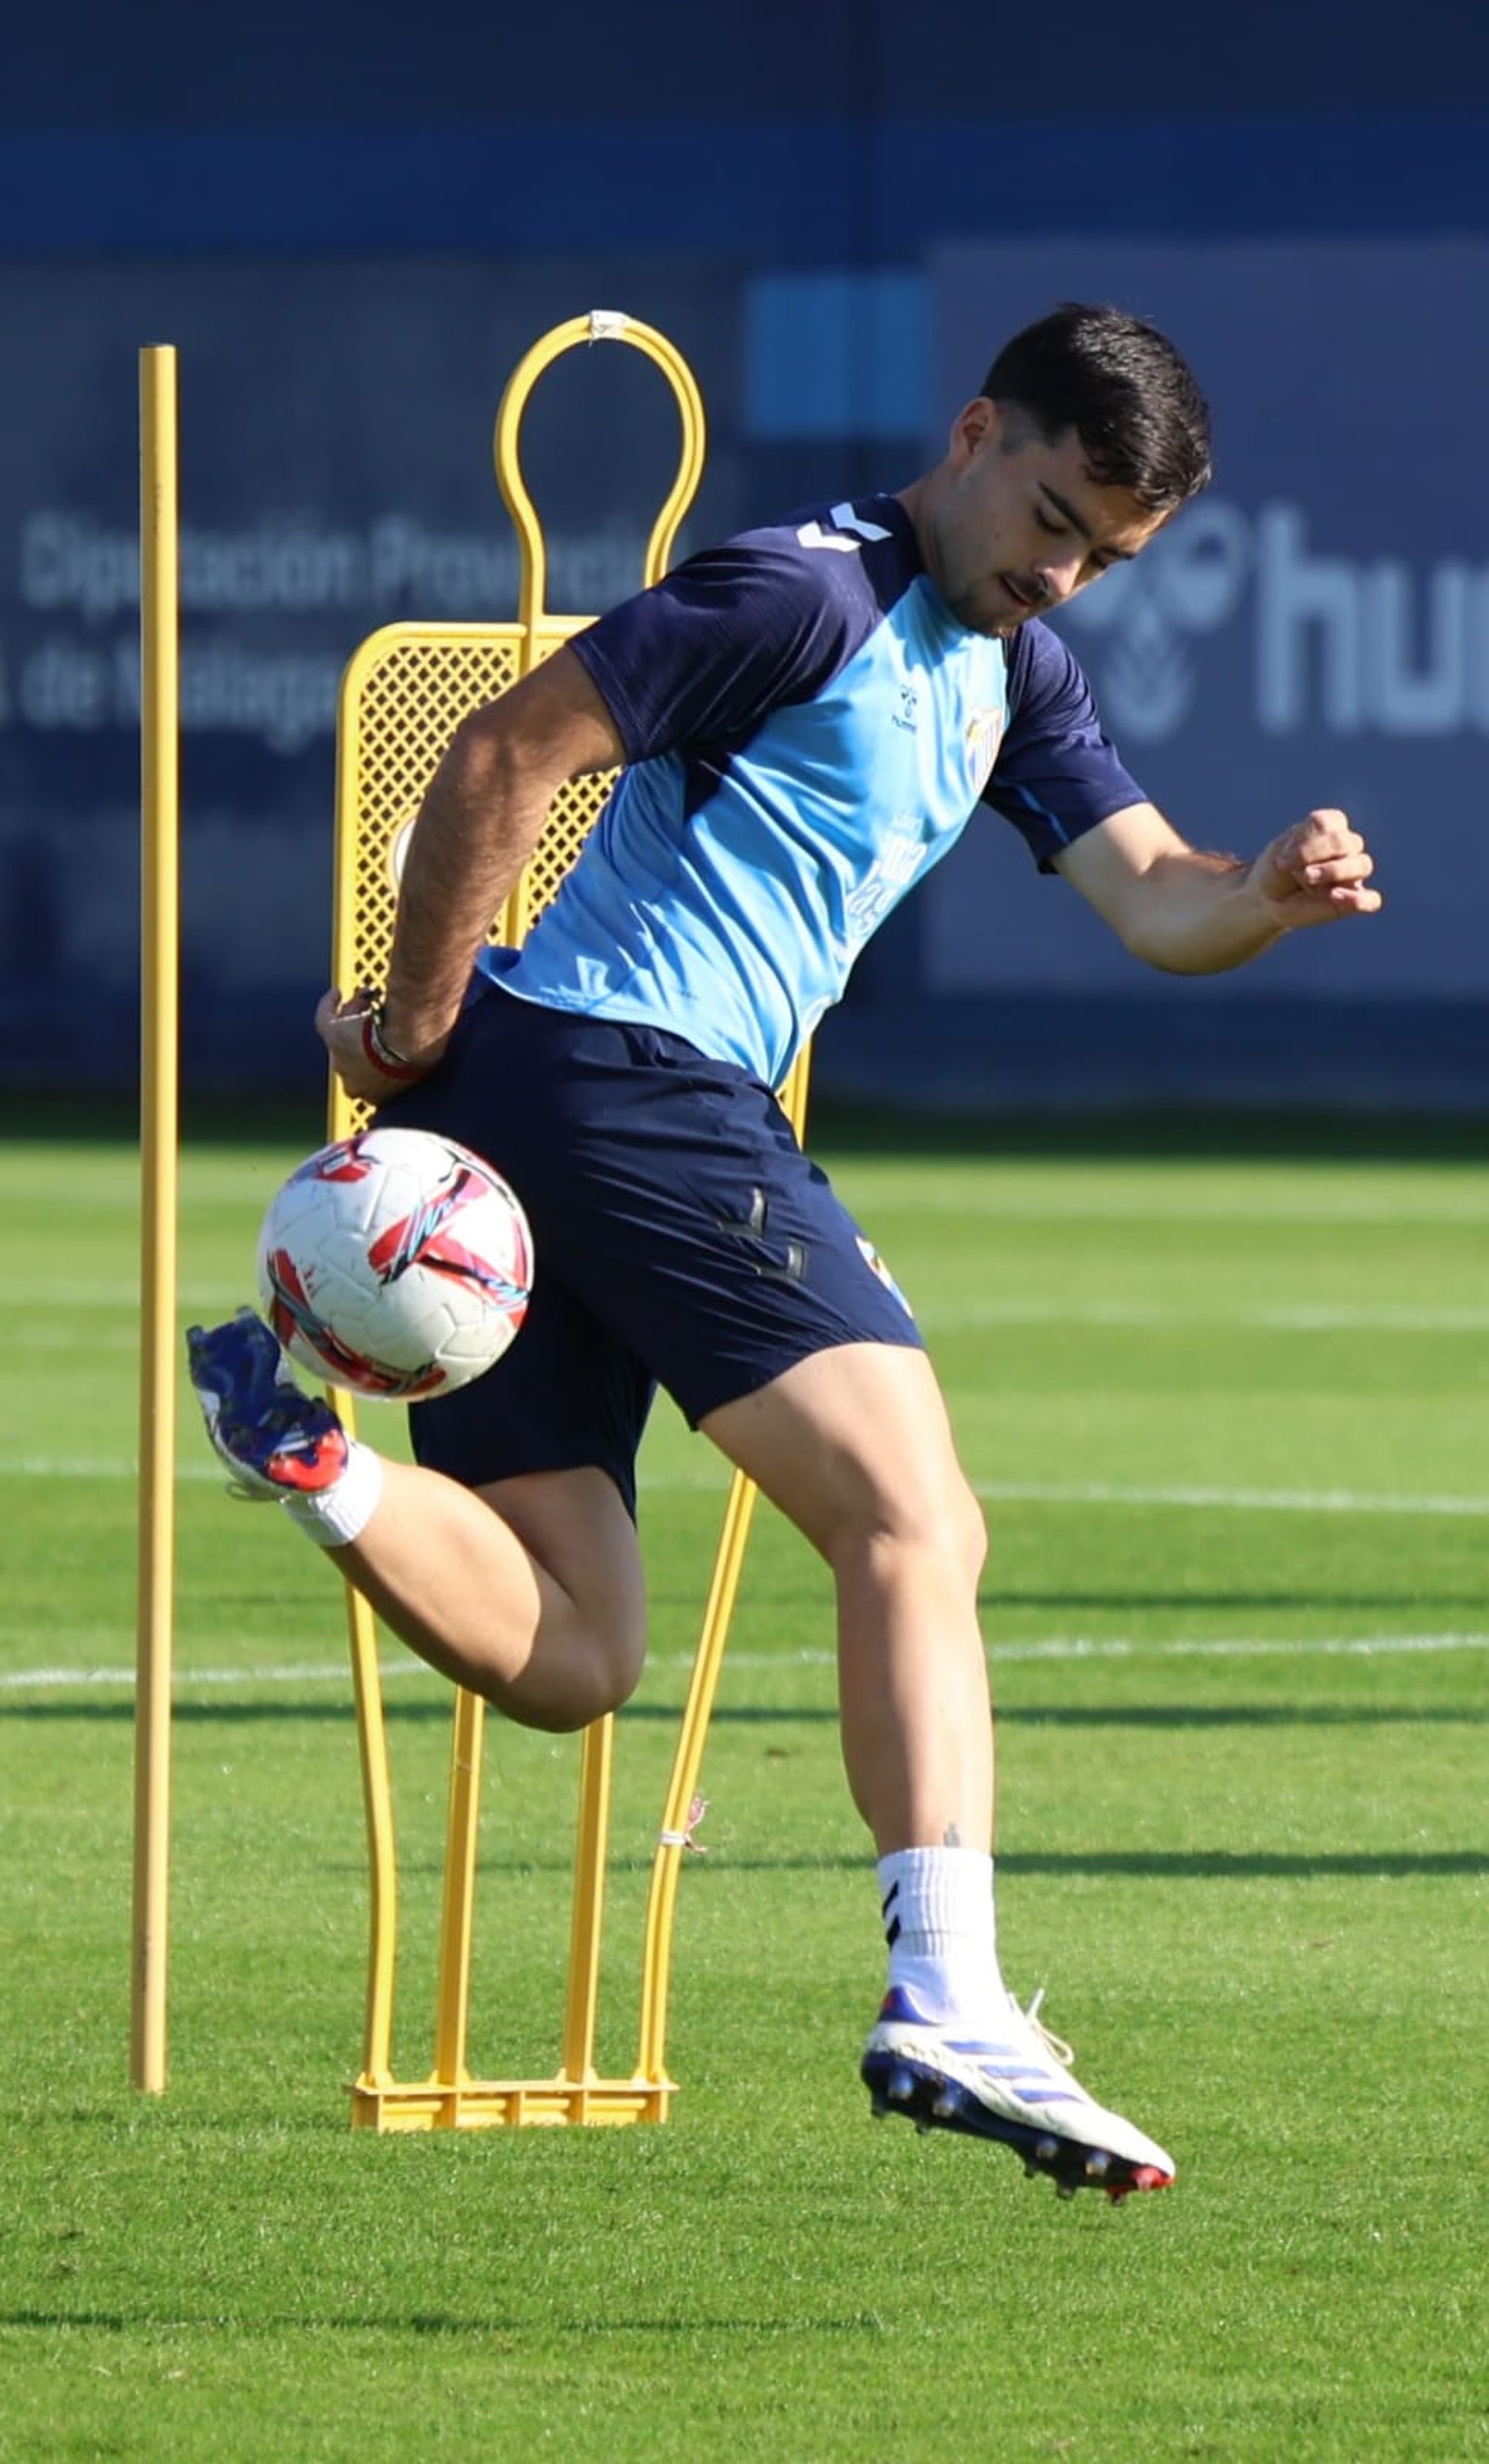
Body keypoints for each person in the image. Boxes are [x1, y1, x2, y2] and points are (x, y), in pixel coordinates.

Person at [189, 303, 1380, 2201]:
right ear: (975, 433)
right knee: (914, 1519)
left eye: (1103, 557)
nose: (1060, 574)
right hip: (628, 1080)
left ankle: (303, 1452)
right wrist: (411, 1031)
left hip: (550, 1106)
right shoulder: (802, 593)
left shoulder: (1020, 672)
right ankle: (949, 1991)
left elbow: (1160, 905)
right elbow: (499, 757)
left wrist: (1262, 893)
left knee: (576, 1648)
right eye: (1050, 520)